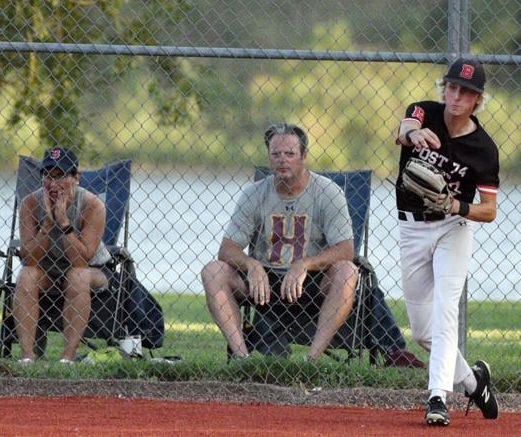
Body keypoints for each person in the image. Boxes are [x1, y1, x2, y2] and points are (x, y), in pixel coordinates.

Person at [202, 123, 423, 367]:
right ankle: (243, 359)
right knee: (213, 271)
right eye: (276, 154)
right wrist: (251, 264)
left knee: (348, 271)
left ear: (304, 156)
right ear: (269, 156)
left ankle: (311, 362)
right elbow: (226, 249)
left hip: (311, 283)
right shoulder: (254, 193)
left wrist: (306, 263)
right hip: (263, 283)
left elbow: (346, 249)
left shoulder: (328, 192)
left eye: (290, 154)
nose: (282, 160)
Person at [395, 58, 500, 425]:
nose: (457, 96)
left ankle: (437, 398)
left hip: (453, 228)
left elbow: (488, 210)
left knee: (445, 310)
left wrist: (456, 204)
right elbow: (405, 127)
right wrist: (412, 134)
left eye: (466, 92)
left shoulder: (483, 149)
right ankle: (474, 382)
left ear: (477, 100)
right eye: (453, 87)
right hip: (411, 228)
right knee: (424, 332)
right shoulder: (424, 111)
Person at [14, 147, 112, 364]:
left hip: (91, 270)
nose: (53, 183)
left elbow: (81, 260)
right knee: (26, 276)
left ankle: (67, 357)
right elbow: (29, 260)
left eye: (61, 176)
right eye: (48, 175)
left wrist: (64, 221)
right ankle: (27, 357)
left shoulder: (93, 205)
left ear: (76, 177)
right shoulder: (30, 203)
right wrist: (48, 223)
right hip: (47, 269)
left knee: (77, 276)